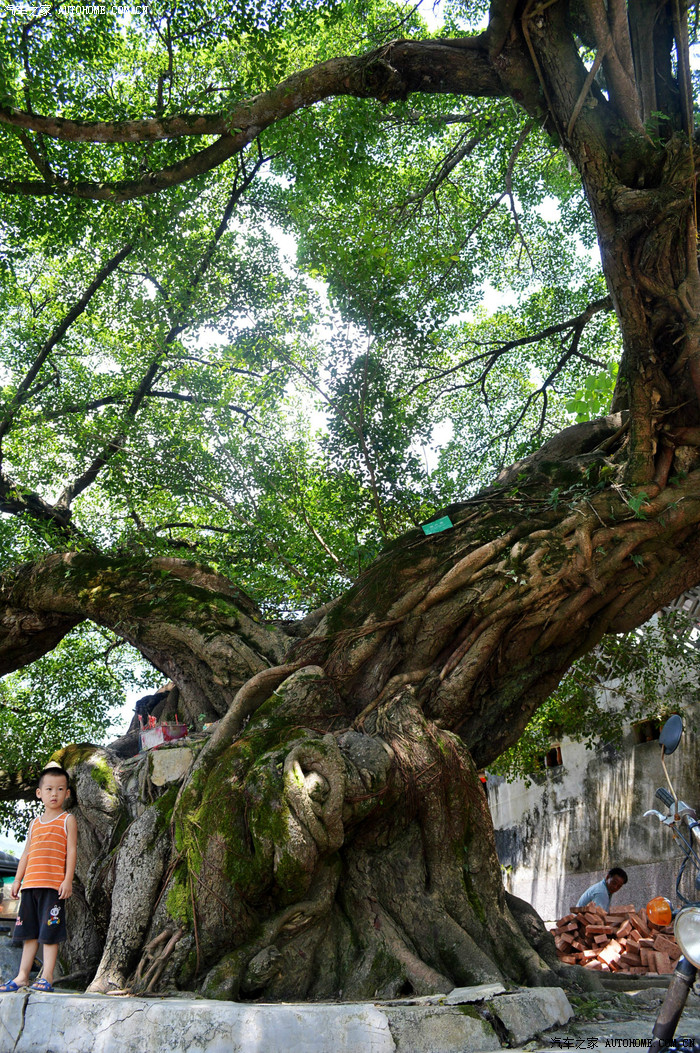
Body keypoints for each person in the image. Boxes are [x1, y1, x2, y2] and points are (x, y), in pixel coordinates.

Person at [0, 762, 77, 993]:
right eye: (49, 789)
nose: (54, 794)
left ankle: (48, 976)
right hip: (30, 886)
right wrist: (17, 880)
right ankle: (22, 976)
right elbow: (26, 853)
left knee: (50, 933)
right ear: (39, 793)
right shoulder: (34, 823)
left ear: (67, 793)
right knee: (28, 932)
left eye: (60, 789)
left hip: (53, 887)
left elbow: (72, 851)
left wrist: (67, 880)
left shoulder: (67, 820)